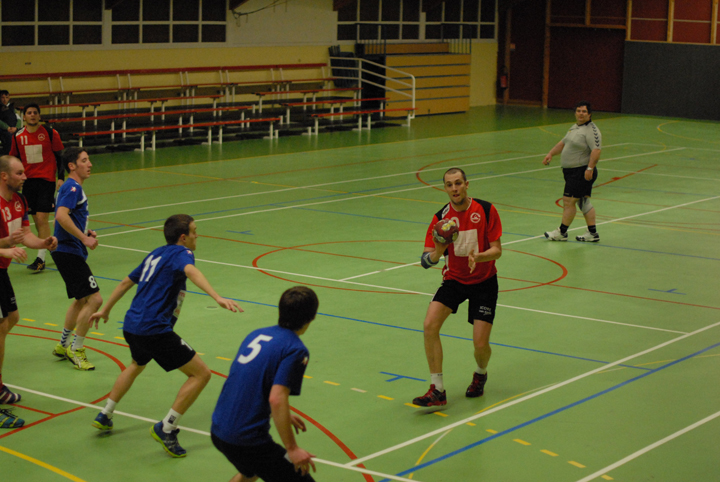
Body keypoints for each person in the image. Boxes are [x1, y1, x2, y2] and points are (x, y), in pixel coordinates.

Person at [89, 214, 241, 458]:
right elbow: (191, 271)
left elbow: (126, 282)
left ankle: (105, 413)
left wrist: (106, 309)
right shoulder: (183, 253)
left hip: (132, 325)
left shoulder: (155, 254)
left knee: (137, 364)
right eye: (194, 231)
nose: (197, 235)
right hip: (154, 329)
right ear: (183, 237)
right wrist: (217, 297)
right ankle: (167, 427)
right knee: (201, 374)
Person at [413, 167, 502, 407]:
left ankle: (480, 373)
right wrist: (438, 252)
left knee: (480, 345)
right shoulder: (441, 220)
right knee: (429, 325)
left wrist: (479, 257)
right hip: (454, 280)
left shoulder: (486, 210)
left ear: (466, 184)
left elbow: (497, 250)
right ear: (445, 188)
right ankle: (437, 390)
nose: (454, 188)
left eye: (458, 183)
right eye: (449, 184)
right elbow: (425, 261)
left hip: (484, 281)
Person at [211, 286, 318, 482]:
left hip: (219, 430)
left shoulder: (256, 334)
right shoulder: (295, 349)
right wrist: (292, 449)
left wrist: (281, 414)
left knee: (250, 473)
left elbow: (249, 383)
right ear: (312, 317)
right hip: (247, 441)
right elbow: (277, 398)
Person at [0, 155, 57, 427]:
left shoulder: (19, 201)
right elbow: (7, 242)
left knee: (12, 318)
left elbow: (26, 236)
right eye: (19, 173)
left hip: (1, 270)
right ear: (4, 176)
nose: (25, 177)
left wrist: (43, 243)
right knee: (1, 325)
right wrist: (5, 248)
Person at [50, 148, 102, 371]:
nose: (89, 164)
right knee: (95, 300)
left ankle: (63, 346)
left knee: (81, 300)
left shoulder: (70, 188)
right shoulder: (73, 187)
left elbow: (64, 219)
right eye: (84, 160)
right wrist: (83, 238)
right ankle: (76, 349)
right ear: (72, 166)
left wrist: (84, 232)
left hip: (67, 250)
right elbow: (61, 216)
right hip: (68, 251)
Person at [8, 103, 64, 272]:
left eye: (35, 113)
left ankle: (41, 259)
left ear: (39, 116)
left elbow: (60, 156)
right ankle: (52, 247)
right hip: (27, 182)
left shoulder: (50, 133)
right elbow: (13, 159)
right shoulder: (18, 136)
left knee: (41, 218)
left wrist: (61, 177)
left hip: (46, 180)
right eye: (29, 113)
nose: (32, 115)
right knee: (36, 221)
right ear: (24, 116)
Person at [542, 101, 602, 242]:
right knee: (583, 201)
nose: (581, 114)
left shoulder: (592, 130)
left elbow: (596, 150)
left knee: (568, 201)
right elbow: (563, 143)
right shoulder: (575, 127)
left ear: (589, 114)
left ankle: (562, 232)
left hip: (581, 171)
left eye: (584, 111)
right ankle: (592, 233)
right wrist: (551, 153)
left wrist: (590, 168)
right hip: (571, 172)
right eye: (578, 111)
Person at [0, 91, 22, 156]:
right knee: (9, 137)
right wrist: (7, 128)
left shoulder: (12, 108)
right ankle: (9, 155)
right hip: (4, 130)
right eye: (2, 97)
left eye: (6, 97)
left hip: (14, 128)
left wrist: (16, 128)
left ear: (9, 98)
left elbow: (18, 119)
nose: (5, 99)